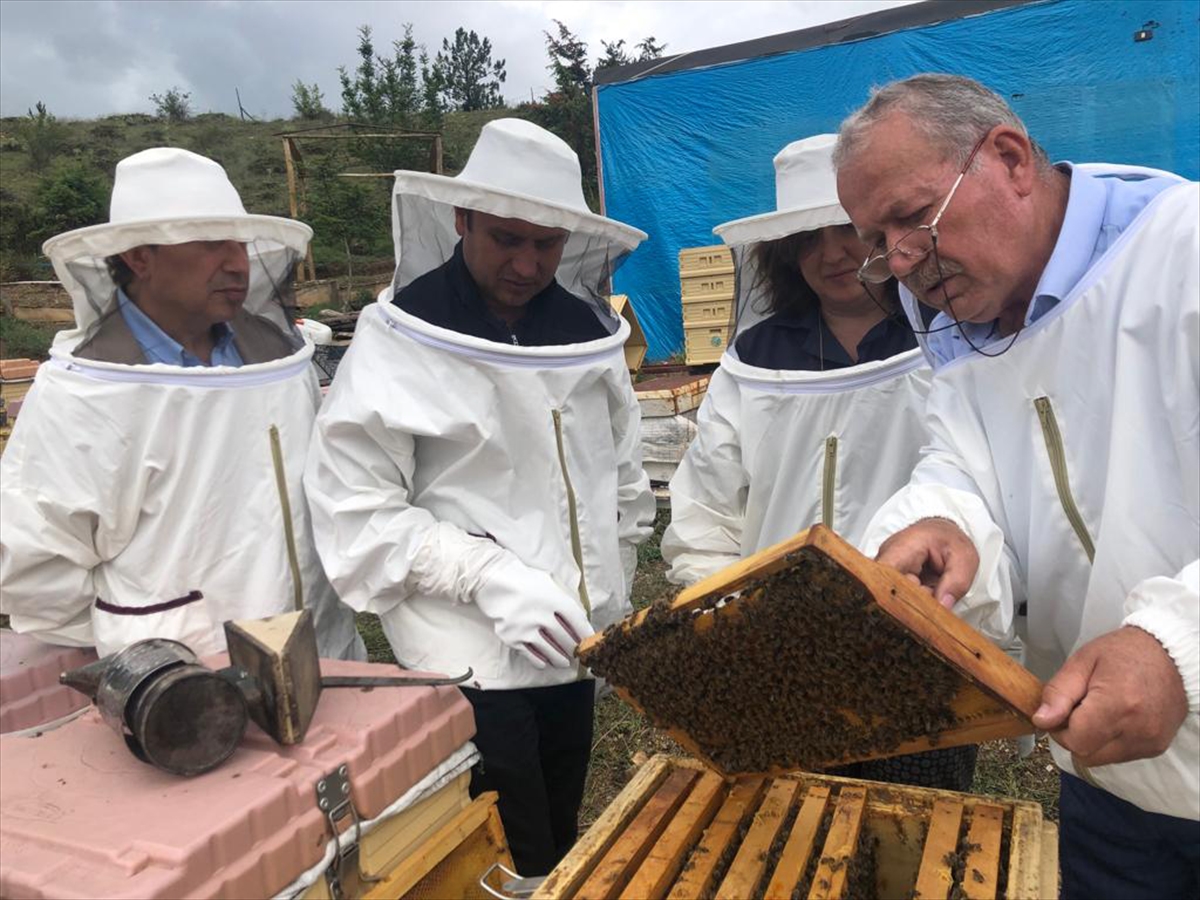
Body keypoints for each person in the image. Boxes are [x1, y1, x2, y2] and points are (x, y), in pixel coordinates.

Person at [834, 73, 1198, 898]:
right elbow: (966, 465)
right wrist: (943, 521)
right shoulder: (959, 312)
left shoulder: (1185, 250)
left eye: (911, 216)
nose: (897, 260)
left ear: (1008, 158)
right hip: (1109, 780)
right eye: (874, 238)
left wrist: (1180, 647)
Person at [304, 118, 656, 876]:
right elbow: (358, 510)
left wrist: (613, 575)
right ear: (461, 220)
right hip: (468, 655)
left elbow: (618, 468)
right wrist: (490, 577)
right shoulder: (400, 339)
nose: (528, 263)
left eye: (547, 243)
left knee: (557, 829)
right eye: (506, 238)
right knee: (503, 846)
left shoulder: (586, 333)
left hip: (575, 640)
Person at [662, 134, 981, 791]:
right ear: (784, 254)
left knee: (914, 831)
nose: (833, 253)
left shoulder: (947, 338)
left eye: (848, 230)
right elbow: (707, 504)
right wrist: (725, 616)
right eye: (809, 238)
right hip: (779, 650)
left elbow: (981, 483)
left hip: (917, 641)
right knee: (789, 833)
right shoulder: (752, 359)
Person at [0, 147, 364, 663]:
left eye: (239, 243)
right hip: (186, 692)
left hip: (327, 657)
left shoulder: (277, 360)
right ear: (139, 256)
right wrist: (152, 632)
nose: (238, 264)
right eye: (212, 244)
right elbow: (36, 572)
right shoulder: (81, 396)